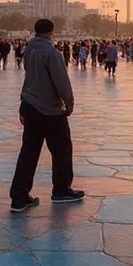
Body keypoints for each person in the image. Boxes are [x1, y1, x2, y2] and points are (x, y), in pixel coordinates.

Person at [9, 19, 84, 213]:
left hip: (30, 106)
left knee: (29, 152)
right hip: (50, 110)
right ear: (52, 32)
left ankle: (19, 196)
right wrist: (69, 103)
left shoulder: (29, 50)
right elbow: (61, 81)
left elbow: (30, 78)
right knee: (61, 150)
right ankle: (61, 190)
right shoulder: (52, 53)